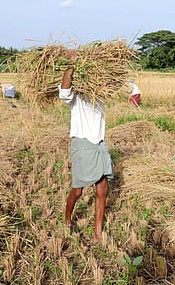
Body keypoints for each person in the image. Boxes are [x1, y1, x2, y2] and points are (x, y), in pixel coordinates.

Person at [59, 54, 114, 243]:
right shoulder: (78, 97)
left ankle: (97, 232)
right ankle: (67, 219)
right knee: (78, 191)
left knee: (102, 189)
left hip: (99, 144)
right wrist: (71, 66)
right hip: (82, 145)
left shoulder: (101, 98)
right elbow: (64, 91)